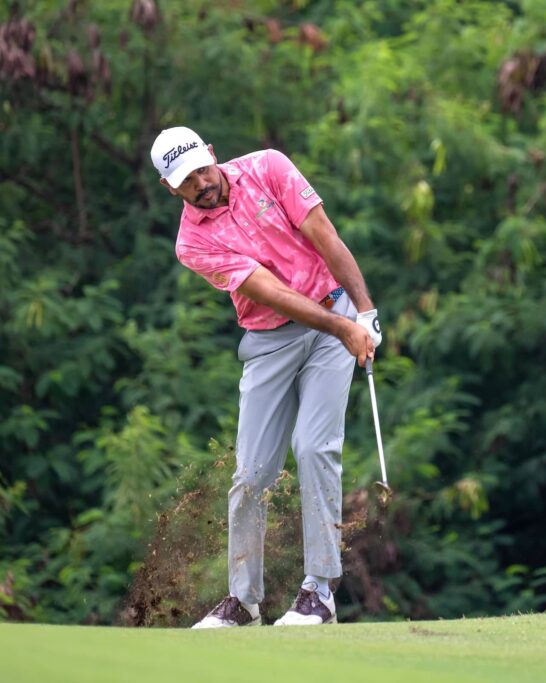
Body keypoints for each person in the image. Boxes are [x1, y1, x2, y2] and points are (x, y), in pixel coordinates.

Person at [149, 126, 380, 627]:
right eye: (187, 182)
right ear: (171, 189)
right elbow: (268, 290)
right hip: (272, 340)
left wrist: (365, 312)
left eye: (202, 170)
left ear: (212, 153)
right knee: (251, 472)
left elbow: (325, 235)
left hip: (330, 317)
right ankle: (245, 601)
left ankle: (319, 592)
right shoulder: (192, 244)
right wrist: (344, 327)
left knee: (315, 448)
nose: (201, 184)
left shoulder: (269, 167)